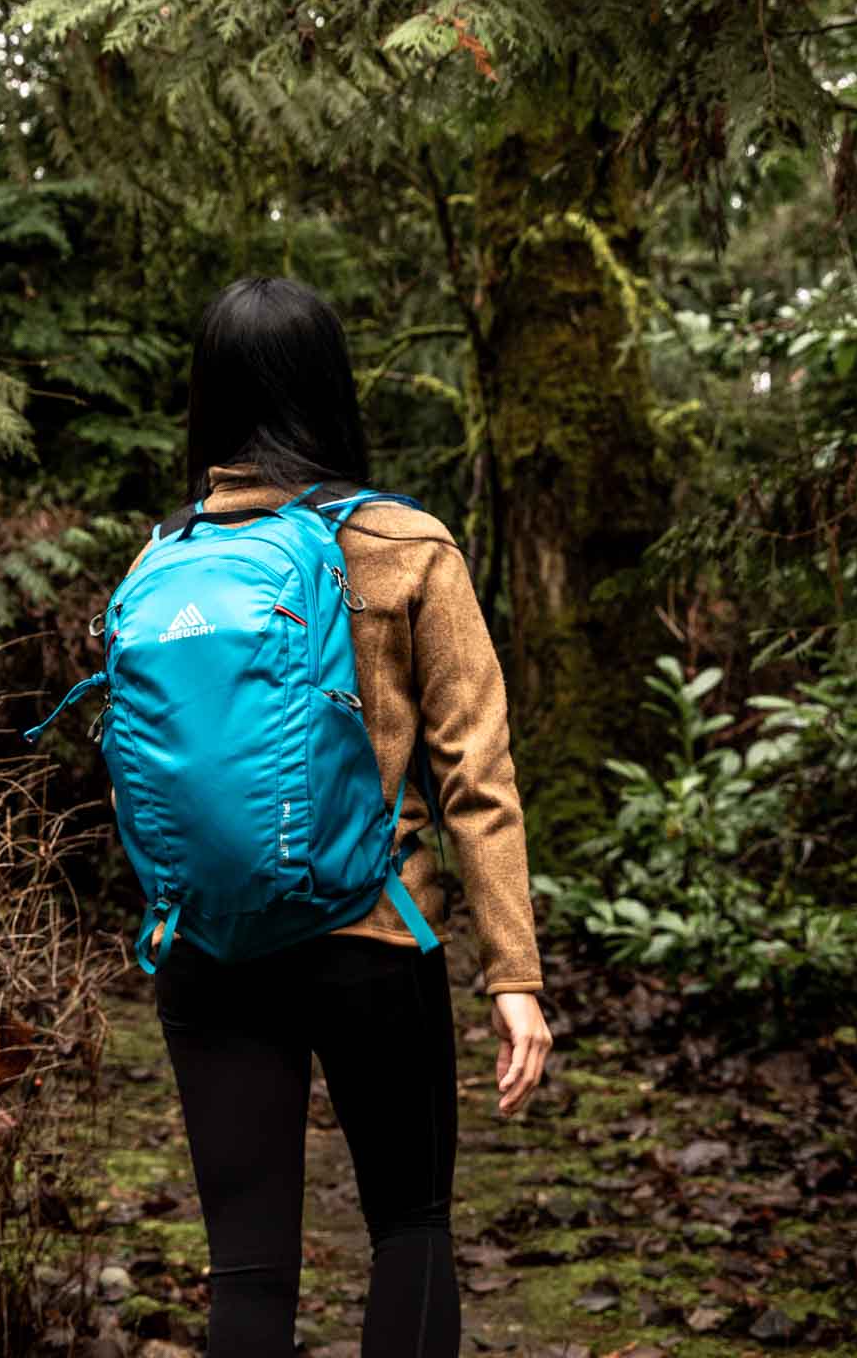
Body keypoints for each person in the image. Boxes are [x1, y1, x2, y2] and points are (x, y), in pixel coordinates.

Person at [134, 275, 552, 1357]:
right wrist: (515, 974)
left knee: (249, 1270)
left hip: (209, 947)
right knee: (410, 1229)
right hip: (371, 934)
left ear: (211, 396)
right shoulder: (406, 544)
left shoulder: (162, 559)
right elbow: (478, 775)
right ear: (330, 386)